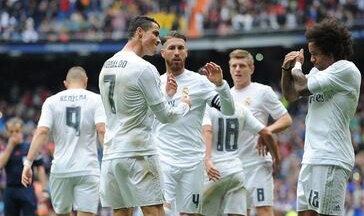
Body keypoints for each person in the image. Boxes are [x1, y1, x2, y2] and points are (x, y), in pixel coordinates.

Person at [98, 16, 191, 216]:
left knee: (121, 212)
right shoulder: (144, 68)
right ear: (140, 32)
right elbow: (165, 116)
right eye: (155, 34)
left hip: (112, 154)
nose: (159, 40)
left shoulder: (107, 65)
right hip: (138, 153)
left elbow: (132, 107)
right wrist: (184, 105)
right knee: (154, 211)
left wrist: (164, 95)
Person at [280, 18, 361, 216]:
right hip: (311, 157)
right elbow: (290, 94)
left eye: (315, 54)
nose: (312, 59)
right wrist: (286, 69)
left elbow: (300, 85)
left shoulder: (346, 70)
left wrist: (297, 66)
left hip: (331, 157)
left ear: (330, 51)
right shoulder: (317, 72)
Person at [153, 31, 235, 215]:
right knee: (161, 211)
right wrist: (168, 96)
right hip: (163, 158)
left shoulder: (200, 82)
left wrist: (221, 85)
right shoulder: (155, 83)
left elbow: (229, 111)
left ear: (186, 52)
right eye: (171, 48)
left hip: (193, 161)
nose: (176, 52)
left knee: (189, 213)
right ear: (163, 53)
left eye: (180, 48)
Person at [21, 66, 106, 216]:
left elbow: (41, 132)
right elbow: (102, 130)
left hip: (61, 169)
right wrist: (108, 162)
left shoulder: (51, 101)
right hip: (88, 168)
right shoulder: (96, 99)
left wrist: (28, 163)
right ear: (85, 81)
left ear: (65, 83)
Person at [229, 49, 293, 216]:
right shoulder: (225, 96)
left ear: (251, 69)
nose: (237, 69)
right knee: (238, 213)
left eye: (242, 65)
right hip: (234, 165)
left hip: (257, 163)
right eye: (234, 65)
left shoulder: (262, 91)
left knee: (263, 209)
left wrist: (265, 132)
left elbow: (286, 119)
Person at [201, 103, 280, 216]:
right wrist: (276, 157)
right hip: (236, 171)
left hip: (214, 171)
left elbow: (207, 131)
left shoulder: (207, 108)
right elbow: (266, 133)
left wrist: (207, 159)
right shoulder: (241, 109)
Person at [0, 117, 47, 216]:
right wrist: (10, 146)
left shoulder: (30, 147)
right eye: (11, 131)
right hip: (10, 189)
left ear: (21, 131)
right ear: (8, 132)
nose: (14, 134)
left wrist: (44, 189)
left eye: (17, 131)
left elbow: (40, 168)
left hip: (27, 189)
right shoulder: (5, 149)